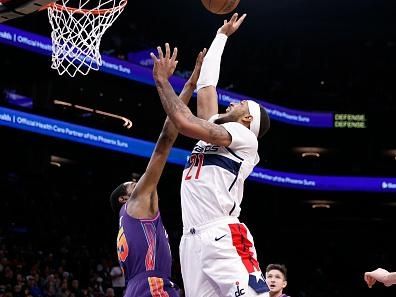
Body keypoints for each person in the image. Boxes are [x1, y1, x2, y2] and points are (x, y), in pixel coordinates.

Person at [150, 13, 271, 297]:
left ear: (246, 121)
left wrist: (162, 82)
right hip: (190, 240)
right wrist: (221, 36)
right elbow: (206, 87)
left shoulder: (244, 139)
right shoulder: (218, 127)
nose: (233, 101)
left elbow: (184, 122)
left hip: (223, 234)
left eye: (241, 104)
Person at [109, 46, 206, 297]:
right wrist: (185, 82)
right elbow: (164, 142)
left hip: (137, 287)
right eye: (131, 184)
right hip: (152, 286)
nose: (137, 182)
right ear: (124, 198)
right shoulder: (138, 201)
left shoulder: (128, 219)